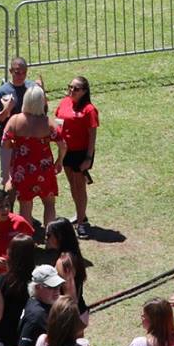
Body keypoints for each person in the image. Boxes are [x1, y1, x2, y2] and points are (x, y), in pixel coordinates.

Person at [2, 84, 60, 225]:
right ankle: (50, 235)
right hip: (44, 169)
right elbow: (63, 144)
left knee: (25, 205)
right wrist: (60, 160)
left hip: (22, 169)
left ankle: (26, 236)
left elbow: (5, 143)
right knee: (49, 204)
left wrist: (15, 145)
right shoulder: (48, 122)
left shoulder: (15, 120)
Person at [55, 75, 100, 237]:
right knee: (73, 185)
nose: (72, 90)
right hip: (66, 150)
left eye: (76, 88)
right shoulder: (64, 102)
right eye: (70, 87)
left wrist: (88, 158)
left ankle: (81, 223)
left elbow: (92, 135)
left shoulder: (89, 110)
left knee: (80, 187)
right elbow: (58, 123)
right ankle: (81, 214)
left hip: (81, 153)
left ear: (84, 91)